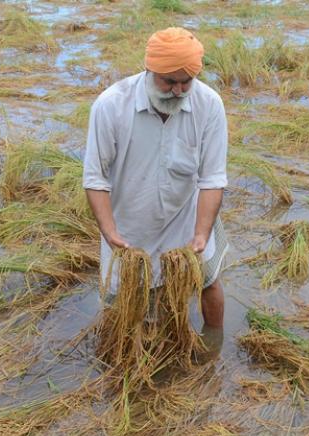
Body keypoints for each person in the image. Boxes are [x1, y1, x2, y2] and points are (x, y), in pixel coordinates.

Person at [82, 27, 228, 331]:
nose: (178, 90)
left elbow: (212, 179)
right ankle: (121, 353)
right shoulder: (111, 106)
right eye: (169, 81)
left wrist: (201, 234)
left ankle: (213, 348)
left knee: (209, 282)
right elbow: (96, 179)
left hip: (189, 220)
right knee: (121, 305)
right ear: (149, 70)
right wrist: (110, 232)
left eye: (186, 82)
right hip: (129, 228)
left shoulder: (209, 105)